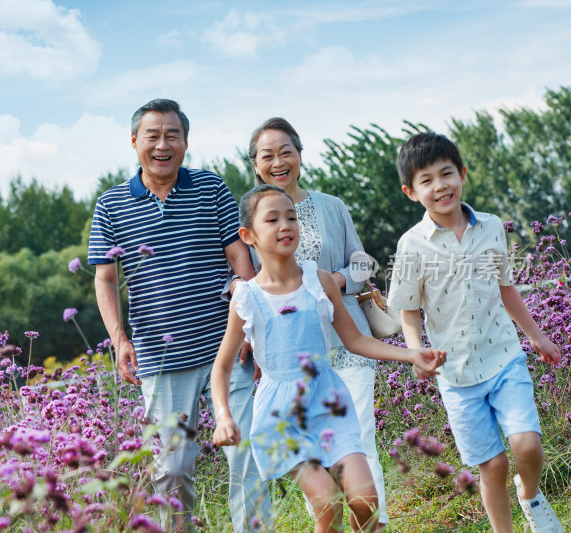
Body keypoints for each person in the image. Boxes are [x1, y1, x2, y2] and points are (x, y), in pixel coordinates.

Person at [211, 185, 446, 533]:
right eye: (272, 219)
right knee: (326, 505)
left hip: (329, 402)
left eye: (291, 216)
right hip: (281, 417)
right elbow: (222, 367)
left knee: (366, 503)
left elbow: (355, 339)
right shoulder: (246, 297)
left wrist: (411, 354)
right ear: (248, 235)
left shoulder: (319, 280)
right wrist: (223, 417)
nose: (285, 225)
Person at [88, 98, 271, 532]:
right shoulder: (111, 205)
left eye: (173, 135)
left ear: (185, 141)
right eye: (152, 136)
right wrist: (119, 338)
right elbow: (106, 280)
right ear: (135, 142)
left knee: (246, 453)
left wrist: (251, 326)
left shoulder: (210, 188)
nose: (162, 144)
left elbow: (238, 255)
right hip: (160, 356)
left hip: (227, 346)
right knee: (170, 471)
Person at [388, 132, 563, 533]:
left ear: (462, 174)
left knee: (527, 445)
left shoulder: (490, 228)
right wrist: (417, 352)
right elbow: (409, 312)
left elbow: (506, 288)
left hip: (504, 356)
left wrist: (536, 335)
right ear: (411, 192)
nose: (440, 185)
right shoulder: (411, 246)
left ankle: (531, 495)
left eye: (446, 173)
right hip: (457, 375)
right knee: (493, 464)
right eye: (426, 180)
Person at [247, 117, 389, 527]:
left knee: (358, 442)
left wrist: (338, 281)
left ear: (300, 155)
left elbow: (363, 259)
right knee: (315, 462)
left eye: (286, 151)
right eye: (267, 155)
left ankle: (374, 524)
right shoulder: (256, 218)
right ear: (256, 165)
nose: (278, 161)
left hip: (348, 341)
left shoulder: (331, 206)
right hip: (294, 357)